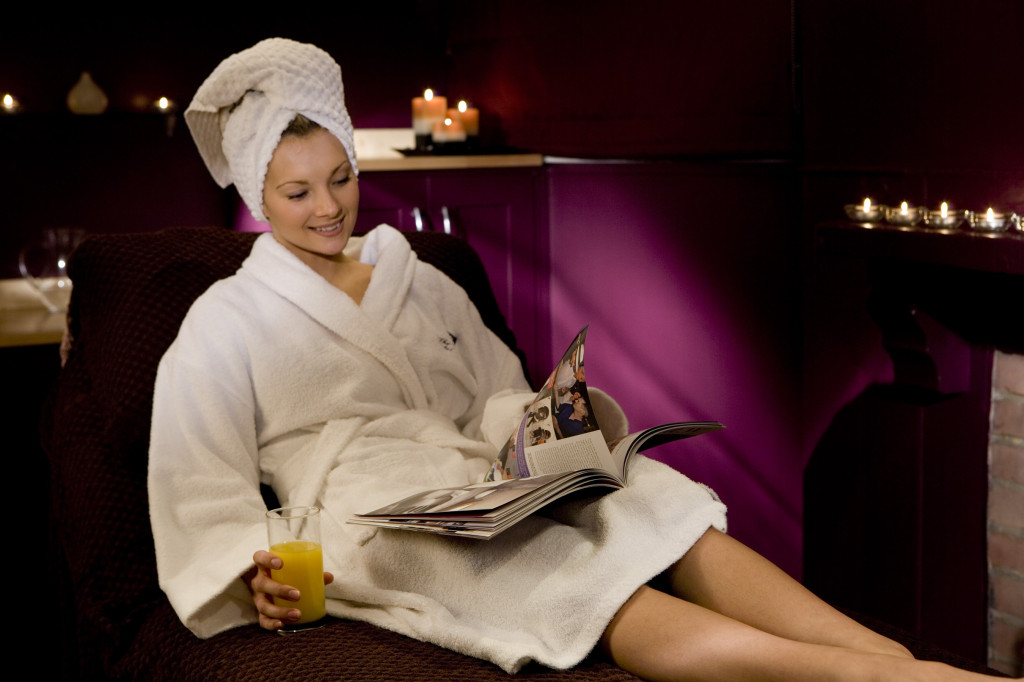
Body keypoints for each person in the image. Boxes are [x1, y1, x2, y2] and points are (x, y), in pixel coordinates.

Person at [148, 38, 1004, 681]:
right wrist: (253, 570)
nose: (329, 207)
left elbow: (493, 397)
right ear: (256, 195)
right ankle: (875, 679)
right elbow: (202, 488)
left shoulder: (416, 279)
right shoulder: (224, 321)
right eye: (298, 193)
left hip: (473, 475)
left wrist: (549, 426)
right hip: (368, 515)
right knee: (557, 572)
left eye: (341, 177)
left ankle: (892, 657)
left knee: (655, 500)